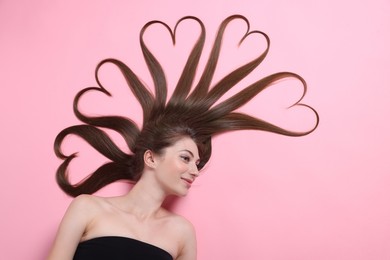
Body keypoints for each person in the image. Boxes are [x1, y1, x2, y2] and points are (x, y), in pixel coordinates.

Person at [47, 15, 319, 260]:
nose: (194, 170)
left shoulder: (181, 232)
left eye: (197, 164)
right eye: (186, 158)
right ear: (152, 158)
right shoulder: (88, 209)